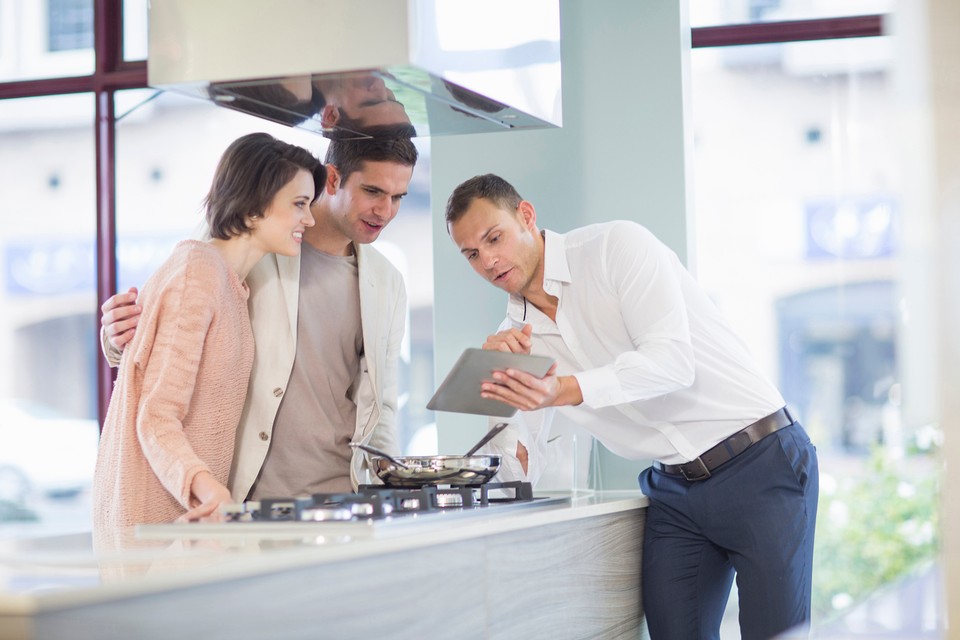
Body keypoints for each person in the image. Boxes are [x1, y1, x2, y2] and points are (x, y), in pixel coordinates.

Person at [444, 173, 820, 640]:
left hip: (759, 460)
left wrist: (565, 388)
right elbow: (518, 473)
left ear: (526, 215)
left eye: (493, 238)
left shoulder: (615, 247)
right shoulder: (516, 338)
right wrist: (498, 389)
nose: (488, 261)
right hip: (674, 489)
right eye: (471, 254)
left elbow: (672, 363)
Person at [100, 135, 419, 500]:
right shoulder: (255, 235)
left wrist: (391, 490)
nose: (385, 211)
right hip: (241, 491)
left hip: (340, 494)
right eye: (373, 191)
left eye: (398, 197)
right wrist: (117, 336)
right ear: (332, 179)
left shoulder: (387, 281)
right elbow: (172, 314)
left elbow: (382, 403)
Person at [93, 132, 324, 533]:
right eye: (299, 204)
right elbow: (156, 416)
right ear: (254, 207)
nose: (310, 219)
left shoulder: (228, 282)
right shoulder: (198, 273)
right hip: (153, 520)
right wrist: (209, 489)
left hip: (186, 515)